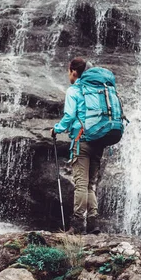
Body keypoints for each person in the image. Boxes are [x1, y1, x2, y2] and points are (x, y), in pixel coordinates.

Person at [51, 57, 103, 235]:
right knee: (90, 185)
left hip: (82, 141)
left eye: (68, 71)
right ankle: (94, 223)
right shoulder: (96, 91)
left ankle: (78, 225)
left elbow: (69, 116)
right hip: (98, 140)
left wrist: (56, 129)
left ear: (73, 71)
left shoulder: (74, 90)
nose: (68, 75)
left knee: (81, 184)